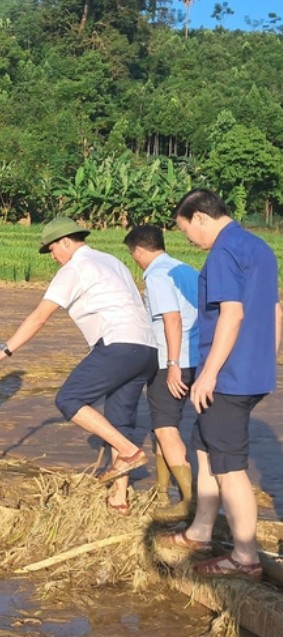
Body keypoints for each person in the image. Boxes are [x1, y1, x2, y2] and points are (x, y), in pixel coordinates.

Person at [0, 217, 158, 513]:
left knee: (69, 398)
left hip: (118, 343)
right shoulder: (111, 261)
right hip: (147, 348)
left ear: (66, 242)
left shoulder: (74, 268)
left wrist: (4, 350)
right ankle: (119, 499)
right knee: (119, 420)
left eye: (51, 250)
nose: (53, 257)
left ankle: (129, 451)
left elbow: (40, 315)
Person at [157, 189, 280, 581]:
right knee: (204, 446)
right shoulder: (259, 246)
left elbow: (232, 314)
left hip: (228, 374)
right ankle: (200, 532)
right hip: (252, 370)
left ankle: (244, 557)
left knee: (229, 466)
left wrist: (208, 373)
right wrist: (270, 357)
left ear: (200, 218)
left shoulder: (224, 251)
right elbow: (276, 308)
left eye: (186, 231)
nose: (190, 240)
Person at [124, 224, 199, 521]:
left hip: (174, 359)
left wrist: (171, 365)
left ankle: (189, 501)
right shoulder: (187, 269)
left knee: (166, 428)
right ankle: (161, 489)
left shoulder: (157, 275)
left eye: (134, 255)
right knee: (161, 423)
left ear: (140, 250)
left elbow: (172, 319)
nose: (135, 260)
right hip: (199, 358)